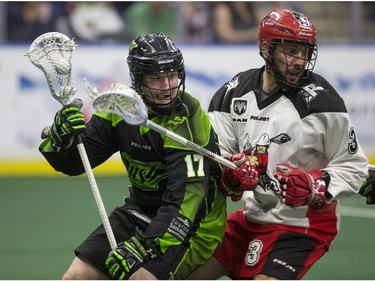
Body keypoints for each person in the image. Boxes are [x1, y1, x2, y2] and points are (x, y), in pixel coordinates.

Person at [188, 8, 369, 280]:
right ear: (266, 48)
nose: (299, 61)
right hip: (252, 216)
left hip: (303, 224)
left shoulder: (322, 104)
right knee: (184, 274)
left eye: (305, 52)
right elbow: (218, 155)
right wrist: (229, 177)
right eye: (291, 51)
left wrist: (313, 186)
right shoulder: (232, 93)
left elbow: (354, 167)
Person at [39, 32, 226, 279]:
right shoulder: (119, 107)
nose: (168, 85)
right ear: (138, 78)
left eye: (172, 76)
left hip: (192, 226)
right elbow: (74, 163)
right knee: (76, 277)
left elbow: (188, 199)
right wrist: (61, 139)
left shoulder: (187, 118)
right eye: (157, 78)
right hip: (139, 213)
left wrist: (147, 244)